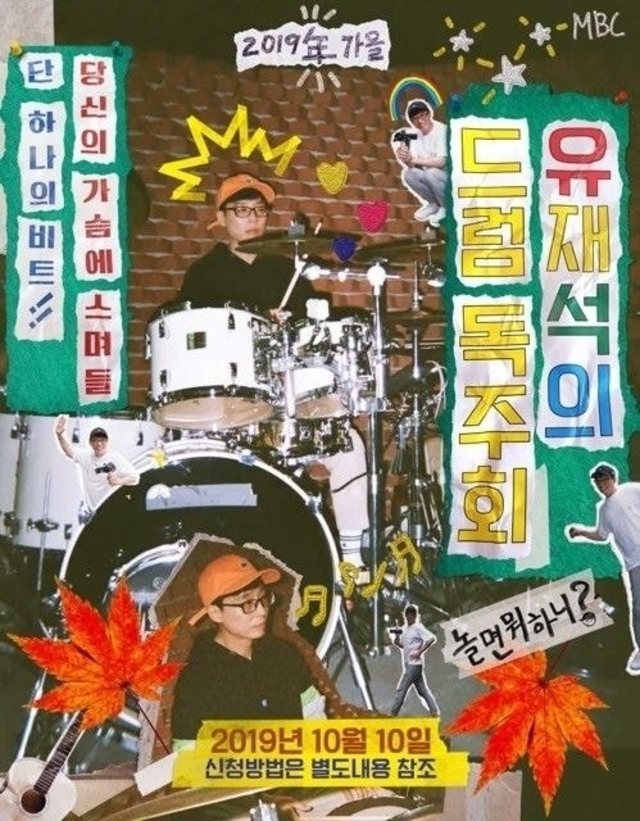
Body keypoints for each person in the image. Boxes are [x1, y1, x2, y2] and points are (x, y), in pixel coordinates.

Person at [171, 551, 326, 748]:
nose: (262, 611)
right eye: (247, 603)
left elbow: (313, 713)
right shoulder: (196, 681)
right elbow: (187, 754)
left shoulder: (283, 654)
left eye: (263, 598)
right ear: (216, 612)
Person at [178, 172, 328, 320]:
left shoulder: (287, 270)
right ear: (222, 218)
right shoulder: (203, 273)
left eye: (260, 209)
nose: (253, 218)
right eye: (242, 210)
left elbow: (311, 325)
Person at [568, 463, 640, 676]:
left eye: (605, 480)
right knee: (638, 609)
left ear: (613, 478)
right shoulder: (604, 509)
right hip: (635, 564)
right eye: (598, 482)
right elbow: (601, 535)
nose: (602, 484)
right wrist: (581, 532)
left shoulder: (632, 490)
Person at [53, 416, 140, 513]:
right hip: (92, 511)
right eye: (95, 440)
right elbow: (69, 451)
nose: (99, 444)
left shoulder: (115, 457)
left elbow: (135, 477)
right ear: (90, 443)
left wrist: (118, 481)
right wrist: (60, 435)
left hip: (110, 510)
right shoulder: (86, 456)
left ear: (107, 442)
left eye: (102, 440)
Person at [392, 99, 448, 226]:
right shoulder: (416, 135)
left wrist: (414, 159)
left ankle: (446, 206)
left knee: (431, 173)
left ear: (429, 114)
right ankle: (434, 204)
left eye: (422, 115)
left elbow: (441, 162)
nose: (420, 121)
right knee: (409, 174)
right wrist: (405, 158)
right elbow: (414, 165)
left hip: (452, 178)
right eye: (415, 118)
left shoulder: (442, 130)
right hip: (434, 177)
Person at [389, 604, 440, 717]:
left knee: (402, 689)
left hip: (414, 665)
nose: (409, 618)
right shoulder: (404, 629)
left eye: (411, 616)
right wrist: (396, 638)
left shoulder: (418, 627)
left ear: (415, 616)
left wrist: (419, 652)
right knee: (422, 691)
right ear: (405, 616)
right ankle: (435, 713)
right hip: (409, 664)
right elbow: (403, 645)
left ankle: (392, 714)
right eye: (407, 616)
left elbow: (431, 639)